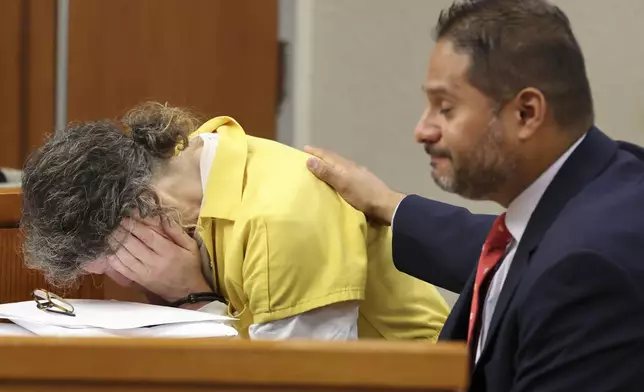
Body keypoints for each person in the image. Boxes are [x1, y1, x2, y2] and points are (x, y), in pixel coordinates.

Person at [304, 0, 644, 390]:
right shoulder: (606, 182)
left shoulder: (587, 269)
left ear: (527, 113)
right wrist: (387, 204)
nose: (422, 130)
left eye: (445, 108)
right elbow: (508, 253)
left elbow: (559, 268)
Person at [20, 102, 449, 340]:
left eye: (116, 262)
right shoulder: (199, 159)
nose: (125, 279)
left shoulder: (279, 219)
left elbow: (296, 381)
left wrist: (191, 297)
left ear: (141, 211)